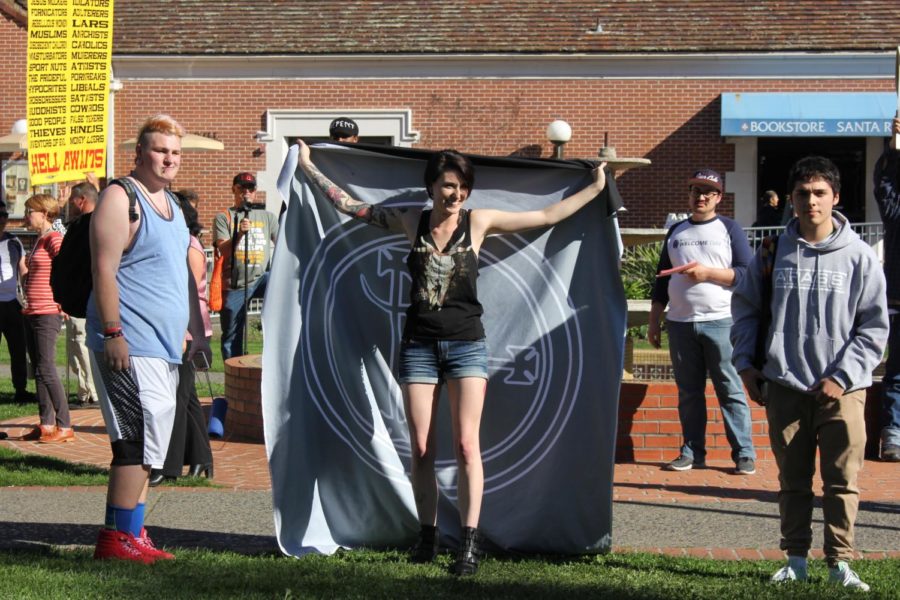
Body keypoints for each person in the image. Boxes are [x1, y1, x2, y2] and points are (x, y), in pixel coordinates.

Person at [296, 139, 607, 576]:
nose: (456, 194)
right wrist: (309, 167)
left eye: (462, 187)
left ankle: (468, 542)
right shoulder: (410, 221)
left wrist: (595, 187)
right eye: (448, 185)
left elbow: (545, 216)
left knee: (466, 445)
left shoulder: (479, 222)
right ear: (430, 187)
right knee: (422, 447)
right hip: (418, 347)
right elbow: (351, 206)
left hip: (467, 345)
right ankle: (427, 536)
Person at [731, 156, 887, 591]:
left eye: (820, 193)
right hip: (785, 384)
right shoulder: (772, 251)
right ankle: (795, 559)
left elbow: (874, 327)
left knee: (842, 482)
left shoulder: (859, 257)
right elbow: (745, 310)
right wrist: (745, 364)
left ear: (835, 198)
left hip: (844, 389)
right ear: (792, 200)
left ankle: (840, 562)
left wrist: (843, 374)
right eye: (803, 193)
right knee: (792, 483)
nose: (811, 201)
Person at [87, 114, 208, 563]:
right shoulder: (121, 198)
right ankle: (115, 542)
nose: (169, 158)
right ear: (139, 153)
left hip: (163, 347)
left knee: (152, 442)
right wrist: (114, 331)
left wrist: (194, 331)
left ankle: (132, 535)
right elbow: (105, 270)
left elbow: (180, 275)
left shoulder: (174, 207)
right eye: (160, 150)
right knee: (133, 441)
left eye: (175, 152)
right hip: (127, 343)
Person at [648, 169, 757, 475]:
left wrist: (707, 273)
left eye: (708, 192)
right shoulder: (676, 232)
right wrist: (655, 321)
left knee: (730, 388)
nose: (701, 197)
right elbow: (660, 281)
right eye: (696, 190)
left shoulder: (729, 228)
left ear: (719, 197)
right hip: (680, 323)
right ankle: (692, 451)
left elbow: (746, 274)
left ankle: (744, 453)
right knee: (689, 392)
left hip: (721, 321)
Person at [150, 194, 213, 486]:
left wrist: (190, 335)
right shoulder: (179, 243)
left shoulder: (189, 246)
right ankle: (201, 458)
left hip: (186, 330)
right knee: (186, 399)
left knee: (175, 398)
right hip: (177, 328)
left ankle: (168, 464)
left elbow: (189, 293)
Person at [21, 194, 73, 443]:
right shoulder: (39, 239)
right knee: (40, 370)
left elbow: (65, 268)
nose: (26, 215)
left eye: (29, 211)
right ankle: (47, 423)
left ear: (43, 213)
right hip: (33, 311)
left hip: (47, 312)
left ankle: (65, 425)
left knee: (48, 369)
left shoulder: (53, 238)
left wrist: (63, 301)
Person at [213, 172, 278, 360]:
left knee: (284, 291)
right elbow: (224, 250)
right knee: (232, 336)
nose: (246, 192)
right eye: (242, 188)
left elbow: (283, 244)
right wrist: (239, 234)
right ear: (234, 189)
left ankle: (274, 363)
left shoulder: (268, 217)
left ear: (255, 191)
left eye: (250, 189)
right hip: (236, 284)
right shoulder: (224, 217)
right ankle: (234, 378)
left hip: (262, 278)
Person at [874, 116, 900, 462]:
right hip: (899, 298)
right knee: (897, 372)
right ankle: (893, 434)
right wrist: (894, 147)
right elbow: (884, 185)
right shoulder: (896, 213)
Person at [64, 181, 100, 406]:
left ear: (81, 200)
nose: (70, 205)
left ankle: (93, 391)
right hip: (80, 296)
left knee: (84, 342)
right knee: (75, 345)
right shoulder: (78, 224)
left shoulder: (92, 224)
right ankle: (84, 389)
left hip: (87, 295)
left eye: (71, 201)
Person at [0, 201, 32, 403]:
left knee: (18, 348)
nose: (3, 219)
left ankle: (20, 389)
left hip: (12, 302)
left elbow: (22, 268)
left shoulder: (14, 241)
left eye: (4, 215)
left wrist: (28, 292)